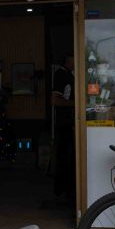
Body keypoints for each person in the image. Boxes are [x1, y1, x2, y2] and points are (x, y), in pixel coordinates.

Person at [49, 54, 76, 207]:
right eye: (73, 60)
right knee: (65, 156)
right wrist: (77, 103)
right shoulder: (61, 75)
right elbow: (55, 100)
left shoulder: (70, 75)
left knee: (69, 157)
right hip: (64, 123)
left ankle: (67, 191)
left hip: (69, 123)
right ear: (67, 60)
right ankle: (63, 191)